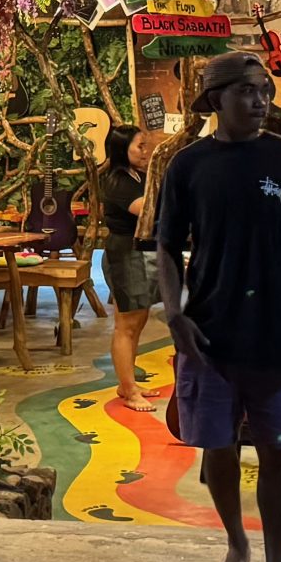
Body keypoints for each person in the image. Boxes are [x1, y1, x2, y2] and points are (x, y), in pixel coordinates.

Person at [155, 51, 281, 562]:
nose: (260, 102)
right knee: (219, 449)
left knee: (280, 453)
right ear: (215, 100)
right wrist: (176, 315)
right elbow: (166, 249)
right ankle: (236, 547)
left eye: (264, 91)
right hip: (210, 333)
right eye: (247, 92)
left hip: (279, 332)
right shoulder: (187, 167)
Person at [96, 125, 161, 413]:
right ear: (123, 149)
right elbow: (148, 209)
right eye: (140, 146)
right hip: (124, 253)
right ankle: (129, 390)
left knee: (139, 320)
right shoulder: (117, 181)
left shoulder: (138, 175)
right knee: (126, 325)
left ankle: (128, 383)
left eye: (146, 146)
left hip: (142, 251)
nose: (145, 151)